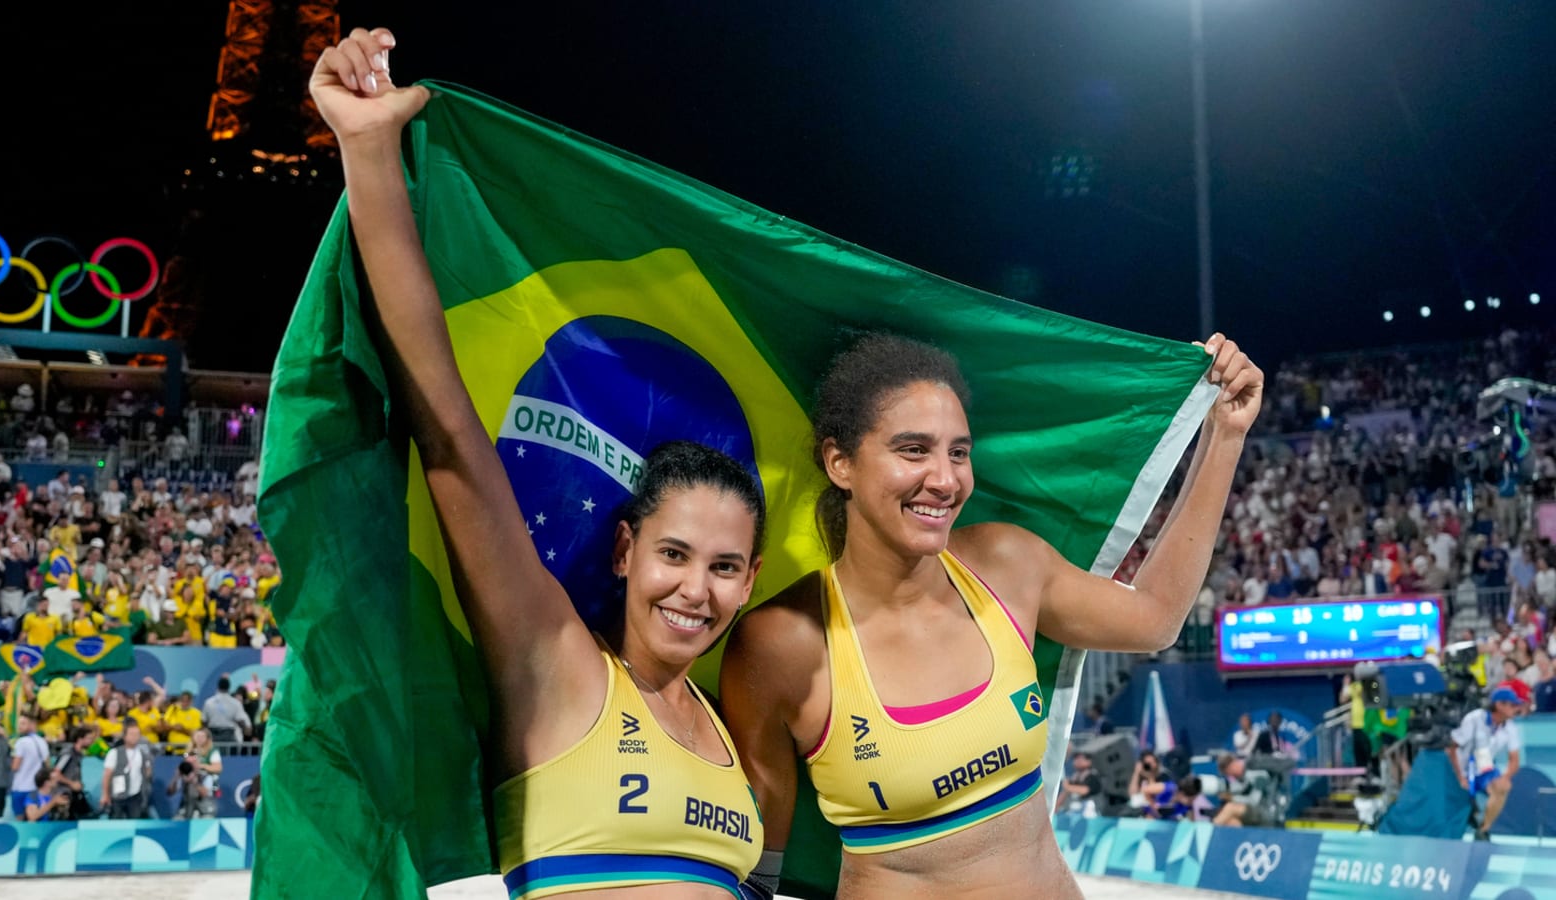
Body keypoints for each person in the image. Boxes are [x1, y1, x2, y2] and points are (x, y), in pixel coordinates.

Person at [310, 29, 768, 896]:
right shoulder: (553, 661)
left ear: (749, 583)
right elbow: (447, 431)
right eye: (674, 554)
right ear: (627, 549)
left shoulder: (724, 731)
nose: (695, 588)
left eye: (724, 566)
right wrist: (368, 152)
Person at [723, 331, 1260, 898]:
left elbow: (1154, 618)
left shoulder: (1005, 564)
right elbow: (757, 869)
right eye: (913, 450)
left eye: (958, 452)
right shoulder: (783, 641)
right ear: (840, 462)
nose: (946, 479)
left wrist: (1225, 434)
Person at [1447, 686, 1523, 841]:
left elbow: (1514, 760)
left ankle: (1483, 829)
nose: (1516, 709)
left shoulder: (1511, 727)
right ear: (1499, 705)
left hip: (1484, 764)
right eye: (1512, 705)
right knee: (1457, 803)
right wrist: (1460, 777)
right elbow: (1452, 748)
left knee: (1504, 786)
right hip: (1461, 765)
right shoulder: (1474, 719)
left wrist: (1505, 776)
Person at [101, 722, 153, 819]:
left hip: (136, 795)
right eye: (132, 734)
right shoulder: (114, 753)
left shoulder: (142, 754)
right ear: (124, 736)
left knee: (135, 821)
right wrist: (105, 794)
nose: (135, 737)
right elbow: (107, 775)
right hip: (118, 794)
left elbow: (147, 773)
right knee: (117, 821)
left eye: (137, 734)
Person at [1054, 752, 1104, 816]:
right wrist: (1056, 807)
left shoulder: (1093, 776)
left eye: (1081, 758)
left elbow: (1085, 790)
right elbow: (1064, 794)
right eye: (1076, 758)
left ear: (1089, 761)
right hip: (1075, 813)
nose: (1078, 760)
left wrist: (1068, 787)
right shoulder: (1073, 778)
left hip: (1091, 813)